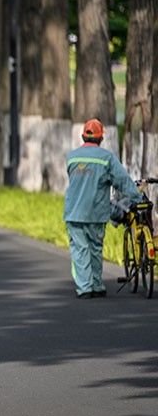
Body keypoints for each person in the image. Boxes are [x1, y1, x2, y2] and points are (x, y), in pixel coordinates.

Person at [64, 118, 141, 299]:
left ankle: (85, 288)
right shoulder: (107, 158)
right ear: (100, 139)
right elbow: (122, 181)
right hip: (97, 212)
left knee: (80, 249)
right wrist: (137, 197)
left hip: (74, 211)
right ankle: (97, 285)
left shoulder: (72, 157)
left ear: (83, 136)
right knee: (95, 247)